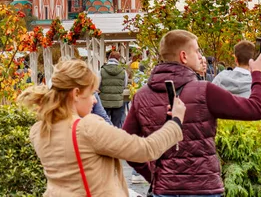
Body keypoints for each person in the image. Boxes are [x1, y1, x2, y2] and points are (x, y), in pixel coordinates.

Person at [123, 30, 261, 197]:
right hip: (203, 188)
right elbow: (257, 108)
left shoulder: (142, 96)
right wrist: (257, 73)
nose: (201, 56)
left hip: (164, 189)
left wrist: (154, 175)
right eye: (198, 50)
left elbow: (127, 145)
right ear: (184, 56)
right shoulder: (204, 91)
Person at [19, 59, 185, 196]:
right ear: (76, 93)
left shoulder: (39, 130)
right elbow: (145, 149)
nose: (94, 100)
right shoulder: (87, 128)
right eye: (91, 93)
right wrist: (175, 122)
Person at [212, 40, 261, 123]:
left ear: (236, 59)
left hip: (224, 131)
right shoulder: (258, 83)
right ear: (254, 60)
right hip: (253, 132)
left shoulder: (220, 79)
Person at [99, 51, 128, 127]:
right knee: (116, 126)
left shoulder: (102, 70)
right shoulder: (123, 71)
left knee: (104, 125)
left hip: (104, 102)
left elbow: (98, 85)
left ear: (109, 58)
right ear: (118, 59)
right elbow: (124, 85)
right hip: (118, 102)